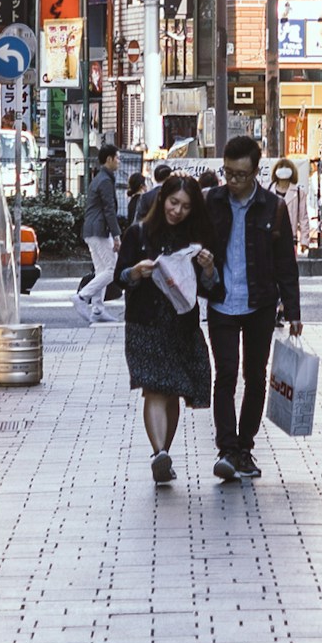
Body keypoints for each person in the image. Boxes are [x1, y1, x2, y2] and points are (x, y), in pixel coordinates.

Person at [197, 135, 301, 483]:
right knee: (224, 374)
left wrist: (294, 310)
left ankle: (244, 448)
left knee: (255, 377)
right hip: (222, 301)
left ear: (257, 171)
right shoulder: (211, 201)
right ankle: (226, 449)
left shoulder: (274, 206)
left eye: (241, 175)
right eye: (228, 173)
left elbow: (286, 262)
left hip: (259, 303)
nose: (234, 181)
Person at [117, 174, 217, 480]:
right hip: (145, 322)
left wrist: (209, 268)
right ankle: (159, 452)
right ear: (162, 200)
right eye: (174, 202)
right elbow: (117, 279)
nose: (177, 211)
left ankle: (163, 454)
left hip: (181, 323)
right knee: (154, 390)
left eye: (186, 206)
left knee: (172, 391)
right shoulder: (138, 233)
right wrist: (134, 272)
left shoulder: (196, 238)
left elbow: (208, 288)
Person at [75, 142, 121, 324]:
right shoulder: (105, 180)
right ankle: (82, 296)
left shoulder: (101, 178)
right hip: (99, 229)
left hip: (92, 229)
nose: (119, 161)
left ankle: (98, 309)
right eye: (117, 158)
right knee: (112, 270)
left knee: (102, 270)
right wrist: (117, 236)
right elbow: (109, 209)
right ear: (109, 159)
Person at [271, 160, 306, 249]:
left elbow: (303, 218)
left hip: (290, 238)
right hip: (269, 237)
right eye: (281, 168)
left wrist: (304, 241)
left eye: (286, 168)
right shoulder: (268, 190)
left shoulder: (299, 193)